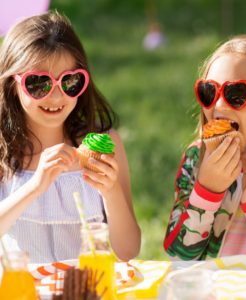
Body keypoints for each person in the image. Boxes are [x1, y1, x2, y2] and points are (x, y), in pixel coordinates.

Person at [0, 11, 141, 263]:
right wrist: (35, 187)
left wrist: (111, 192)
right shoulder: (3, 148)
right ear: (13, 83)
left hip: (87, 287)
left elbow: (128, 251)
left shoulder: (106, 143)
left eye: (69, 81)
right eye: (39, 83)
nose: (56, 97)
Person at [164, 35, 246, 261]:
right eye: (209, 91)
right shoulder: (196, 158)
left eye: (236, 94)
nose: (219, 105)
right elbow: (178, 258)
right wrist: (206, 192)